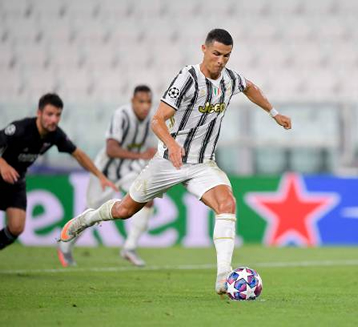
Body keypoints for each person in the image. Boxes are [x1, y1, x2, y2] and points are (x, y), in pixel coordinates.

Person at [59, 28, 292, 295]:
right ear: (203, 49)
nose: (221, 60)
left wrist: (274, 113)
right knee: (125, 210)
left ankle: (222, 277)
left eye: (227, 56)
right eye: (216, 54)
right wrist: (171, 144)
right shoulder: (187, 78)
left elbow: (250, 87)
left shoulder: (230, 79)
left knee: (227, 203)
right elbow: (158, 119)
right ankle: (85, 220)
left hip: (203, 164)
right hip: (169, 162)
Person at [0, 93, 117, 251]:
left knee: (16, 227)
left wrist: (101, 176)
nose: (54, 119)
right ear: (39, 113)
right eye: (50, 114)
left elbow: (79, 154)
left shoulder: (55, 135)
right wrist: (3, 164)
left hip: (16, 181)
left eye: (58, 115)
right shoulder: (20, 129)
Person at [57, 85, 157, 267]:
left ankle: (130, 247)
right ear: (133, 101)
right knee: (91, 211)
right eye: (141, 102)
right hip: (105, 172)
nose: (145, 106)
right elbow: (111, 149)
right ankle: (66, 245)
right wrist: (141, 156)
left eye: (148, 102)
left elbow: (150, 149)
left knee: (147, 197)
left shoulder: (151, 121)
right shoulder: (122, 115)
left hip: (129, 170)